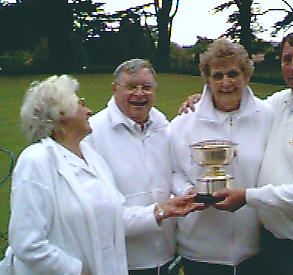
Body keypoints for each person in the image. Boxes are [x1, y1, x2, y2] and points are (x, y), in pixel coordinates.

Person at [182, 30, 293, 275]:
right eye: (287, 59)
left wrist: (246, 197)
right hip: (272, 246)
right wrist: (202, 99)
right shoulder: (281, 103)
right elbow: (239, 104)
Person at [0, 75, 200, 275]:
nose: (89, 110)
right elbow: (27, 243)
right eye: (81, 104)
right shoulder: (36, 160)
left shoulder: (92, 158)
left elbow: (115, 217)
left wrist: (162, 210)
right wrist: (78, 271)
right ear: (61, 114)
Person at [169, 39, 273, 275]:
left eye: (233, 74)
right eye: (217, 76)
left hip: (255, 250)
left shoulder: (268, 116)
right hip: (199, 251)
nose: (226, 82)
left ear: (246, 75)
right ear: (207, 78)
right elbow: (173, 172)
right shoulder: (184, 123)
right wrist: (189, 193)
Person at [84, 59, 197, 275]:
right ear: (114, 88)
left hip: (167, 258)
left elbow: (174, 172)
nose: (139, 94)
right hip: (122, 264)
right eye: (131, 87)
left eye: (146, 87)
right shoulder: (93, 134)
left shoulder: (162, 124)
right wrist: (157, 212)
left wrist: (187, 192)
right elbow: (98, 211)